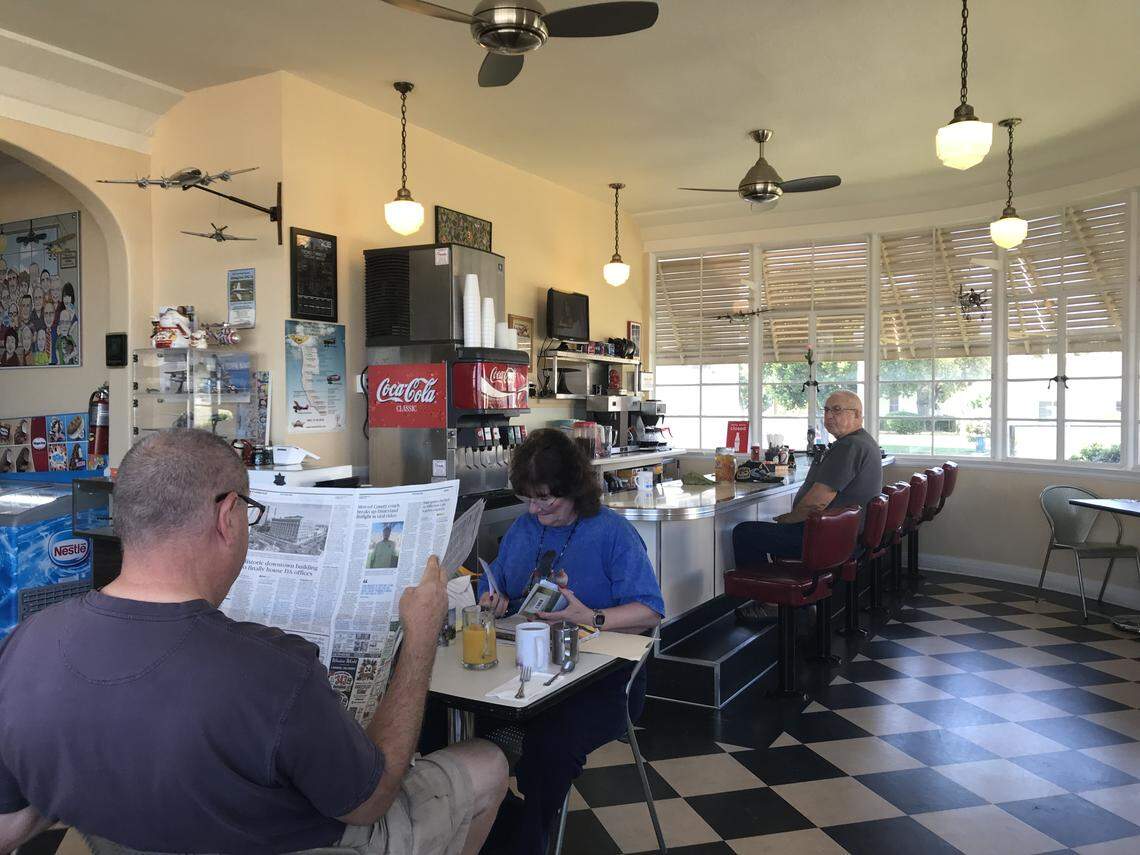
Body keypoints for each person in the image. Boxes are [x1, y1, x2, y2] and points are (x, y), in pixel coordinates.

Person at [0, 430, 508, 855]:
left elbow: (9, 826)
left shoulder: (27, 643)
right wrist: (419, 639)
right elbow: (369, 801)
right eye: (250, 512)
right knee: (488, 763)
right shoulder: (275, 669)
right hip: (309, 840)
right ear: (227, 516)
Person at [476, 428, 664, 853]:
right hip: (528, 671)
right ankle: (498, 824)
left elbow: (650, 612)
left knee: (549, 747)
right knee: (447, 722)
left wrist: (591, 618)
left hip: (605, 681)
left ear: (574, 488)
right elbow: (498, 585)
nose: (535, 509)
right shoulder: (525, 529)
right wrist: (494, 599)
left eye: (546, 499)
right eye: (527, 498)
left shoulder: (612, 533)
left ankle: (527, 840)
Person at [735, 390, 882, 560]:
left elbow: (817, 503)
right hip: (846, 535)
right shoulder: (863, 440)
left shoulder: (849, 446)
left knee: (744, 532)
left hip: (829, 538)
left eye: (836, 410)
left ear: (856, 414)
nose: (829, 416)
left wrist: (788, 520)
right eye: (826, 410)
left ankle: (767, 578)